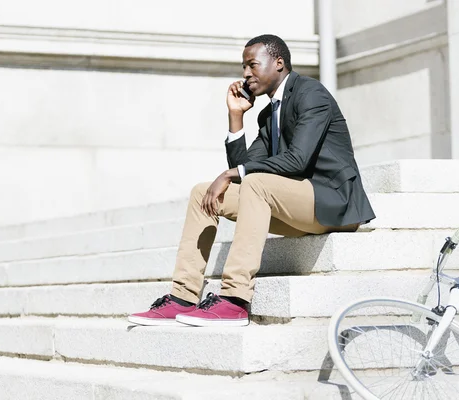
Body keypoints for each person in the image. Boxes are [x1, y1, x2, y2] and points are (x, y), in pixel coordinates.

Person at [129, 34, 375, 327]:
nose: (245, 74)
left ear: (279, 63)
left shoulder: (311, 94)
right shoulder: (269, 114)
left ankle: (234, 300)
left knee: (256, 183)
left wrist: (234, 173)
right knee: (202, 192)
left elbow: (296, 160)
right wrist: (236, 118)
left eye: (252, 65)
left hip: (334, 202)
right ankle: (183, 296)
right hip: (297, 206)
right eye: (243, 67)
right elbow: (242, 176)